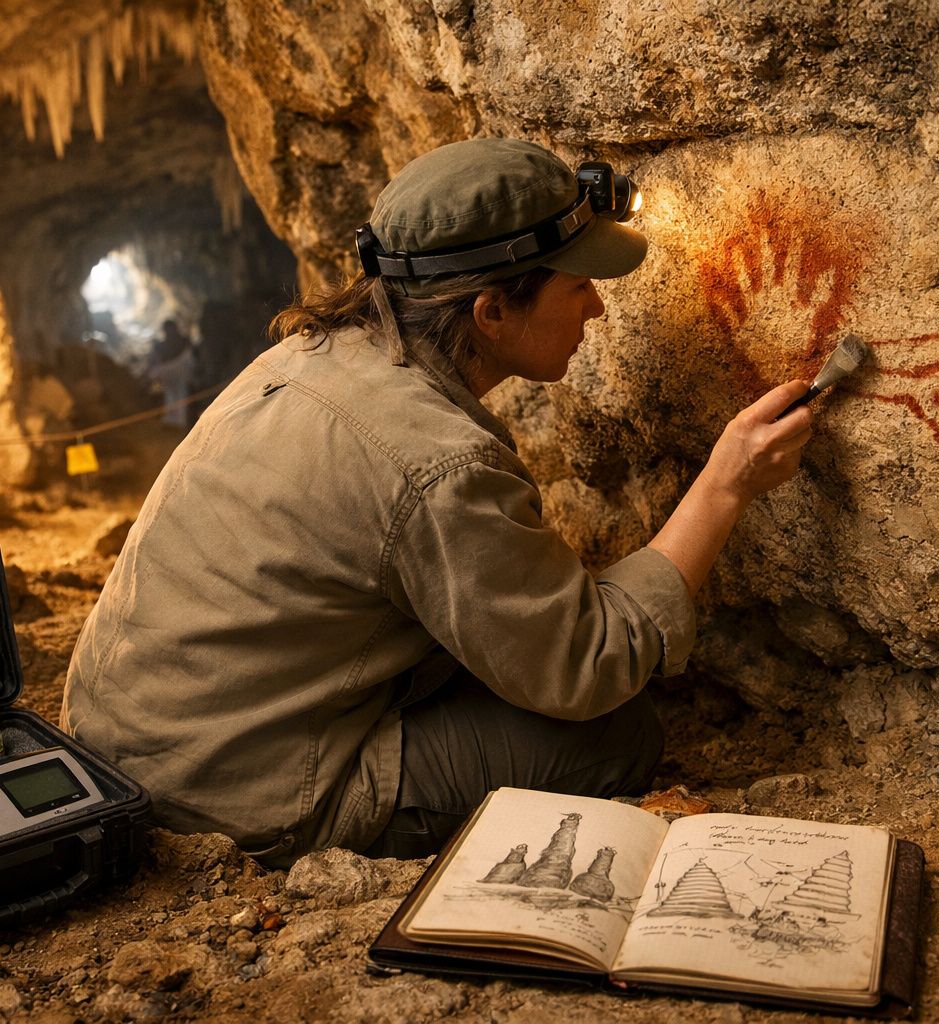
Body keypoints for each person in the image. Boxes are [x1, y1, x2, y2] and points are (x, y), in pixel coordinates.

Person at [61, 139, 813, 864]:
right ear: (491, 312)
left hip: (117, 739)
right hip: (225, 797)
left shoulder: (304, 357)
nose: (598, 311)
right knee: (614, 737)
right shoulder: (436, 461)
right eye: (578, 285)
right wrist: (725, 484)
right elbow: (587, 665)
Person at [146, 319, 195, 427]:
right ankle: (174, 421)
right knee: (172, 395)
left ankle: (179, 421)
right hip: (169, 376)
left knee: (180, 394)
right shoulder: (160, 346)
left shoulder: (184, 341)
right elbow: (154, 363)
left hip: (182, 374)